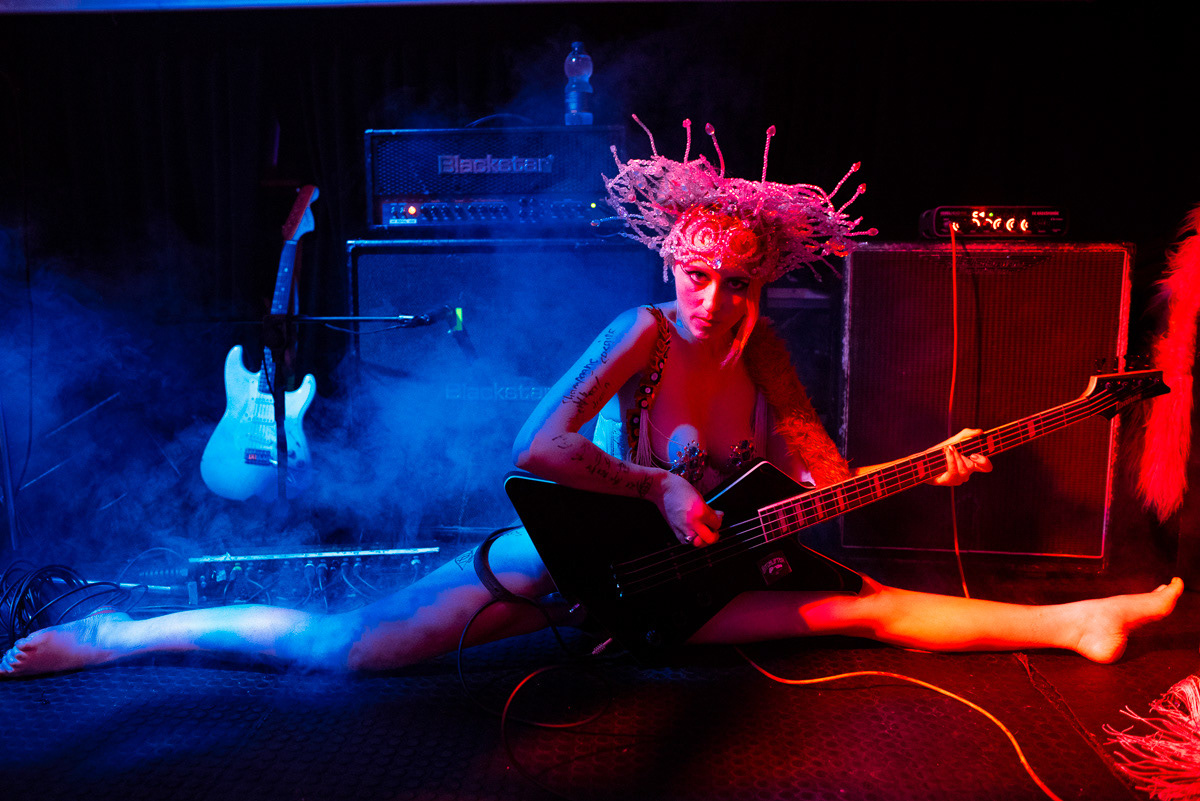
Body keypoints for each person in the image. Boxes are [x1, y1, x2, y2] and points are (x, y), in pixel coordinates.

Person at [1, 119, 1182, 679]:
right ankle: (122, 639)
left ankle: (1082, 620)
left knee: (862, 609)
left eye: (737, 282)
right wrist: (660, 484)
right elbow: (538, 445)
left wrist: (913, 468)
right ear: (672, 265)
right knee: (349, 654)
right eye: (698, 276)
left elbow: (813, 457)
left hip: (691, 583)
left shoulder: (766, 345)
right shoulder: (641, 331)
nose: (714, 300)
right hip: (582, 561)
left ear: (763, 278)